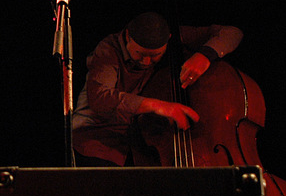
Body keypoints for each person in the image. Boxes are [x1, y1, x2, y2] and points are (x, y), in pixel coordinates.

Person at [72, 11, 243, 167]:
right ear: (127, 36)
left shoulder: (175, 38)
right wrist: (160, 106)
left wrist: (205, 55)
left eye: (155, 55)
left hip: (139, 144)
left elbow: (233, 33)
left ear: (169, 39)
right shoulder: (109, 49)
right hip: (94, 138)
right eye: (140, 54)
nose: (146, 62)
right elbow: (100, 99)